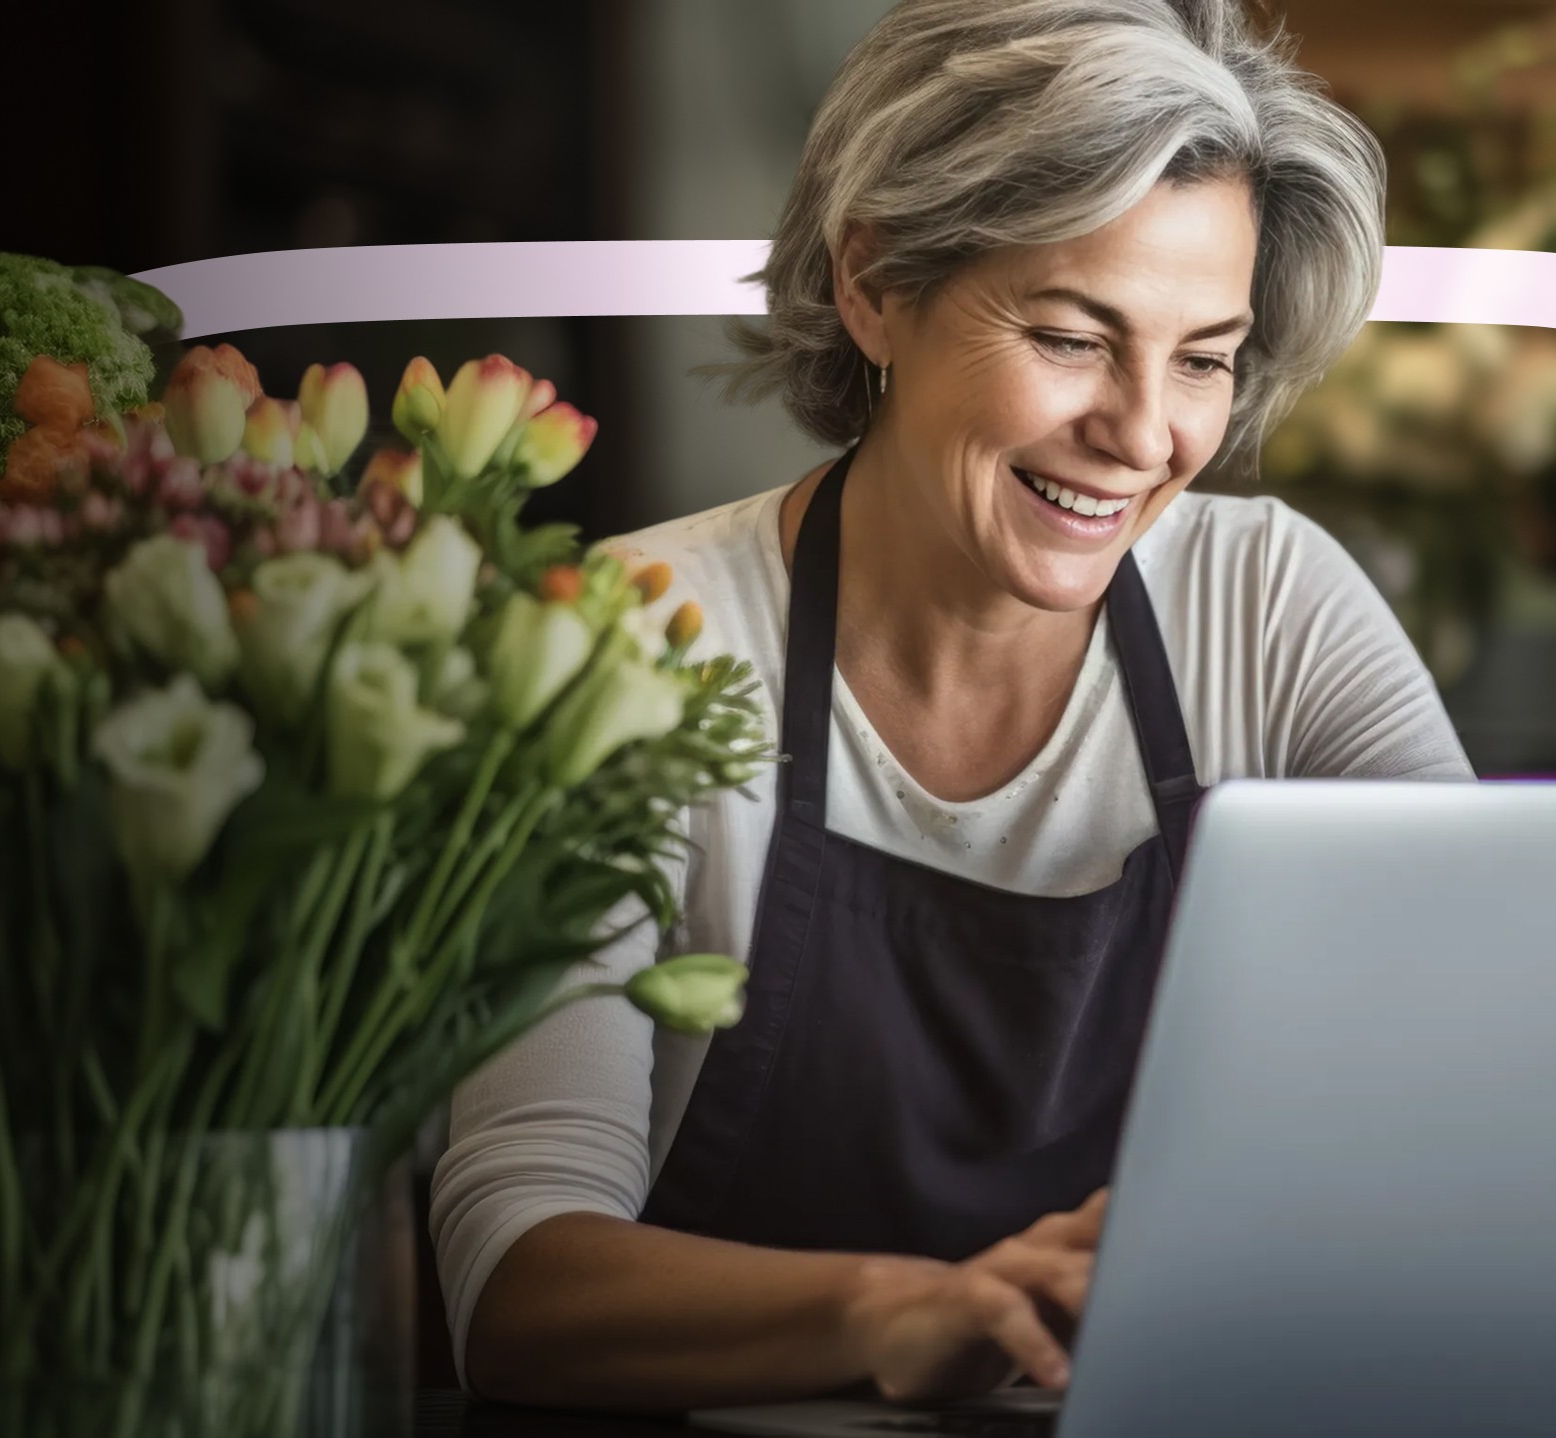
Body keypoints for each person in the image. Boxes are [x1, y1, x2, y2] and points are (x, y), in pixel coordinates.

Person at [431, 0, 1466, 1412]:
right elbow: (517, 1282)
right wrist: (900, 1308)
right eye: (1069, 335)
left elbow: (1486, 1095)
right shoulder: (632, 643)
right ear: (873, 283)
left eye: (1204, 357)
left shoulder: (1270, 608)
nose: (1146, 432)